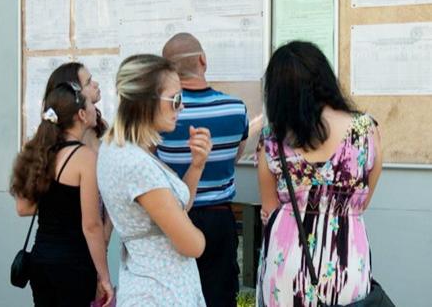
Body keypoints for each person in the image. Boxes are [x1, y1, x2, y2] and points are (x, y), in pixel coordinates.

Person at [256, 41, 383, 307]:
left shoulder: (272, 138)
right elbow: (363, 201)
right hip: (347, 260)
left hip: (286, 261)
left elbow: (269, 209)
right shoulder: (366, 130)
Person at [97, 54, 213, 306]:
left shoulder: (115, 148)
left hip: (151, 287)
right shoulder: (135, 164)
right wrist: (200, 235)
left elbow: (176, 209)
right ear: (146, 101)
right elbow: (192, 245)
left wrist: (197, 165)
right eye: (175, 99)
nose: (181, 107)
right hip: (161, 293)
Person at [158, 33, 249, 307]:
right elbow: (235, 157)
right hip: (219, 219)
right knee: (220, 297)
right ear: (203, 60)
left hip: (172, 218)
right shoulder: (236, 109)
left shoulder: (160, 115)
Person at [10, 81, 114, 307]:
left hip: (41, 259)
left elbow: (23, 208)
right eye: (90, 104)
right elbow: (91, 226)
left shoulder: (40, 152)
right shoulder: (85, 158)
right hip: (74, 264)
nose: (95, 109)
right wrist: (104, 276)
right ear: (81, 115)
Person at [44, 62, 106, 152]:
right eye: (88, 82)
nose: (96, 84)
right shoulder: (68, 136)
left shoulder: (100, 124)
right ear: (69, 93)